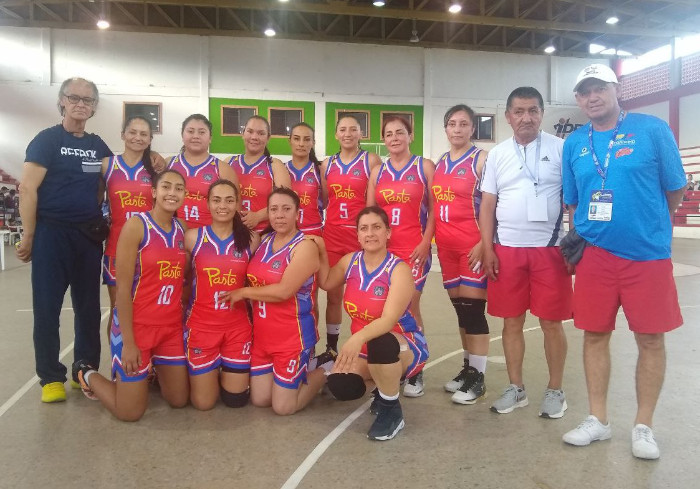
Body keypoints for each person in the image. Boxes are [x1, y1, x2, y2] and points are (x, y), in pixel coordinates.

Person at [561, 64, 686, 460]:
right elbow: (574, 199)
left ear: (616, 89)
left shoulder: (652, 130)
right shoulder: (575, 143)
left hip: (646, 256)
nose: (592, 97)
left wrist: (648, 226)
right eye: (584, 92)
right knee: (595, 334)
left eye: (599, 88)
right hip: (595, 255)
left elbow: (675, 188)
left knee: (650, 338)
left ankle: (643, 426)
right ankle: (598, 419)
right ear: (578, 100)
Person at [18, 77, 112, 403]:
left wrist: (154, 160)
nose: (80, 104)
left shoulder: (99, 145)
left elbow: (111, 179)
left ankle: (83, 370)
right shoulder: (46, 140)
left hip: (87, 236)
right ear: (62, 101)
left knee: (88, 308)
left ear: (94, 107)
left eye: (87, 99)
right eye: (74, 97)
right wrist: (29, 234)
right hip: (50, 234)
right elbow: (28, 189)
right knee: (47, 308)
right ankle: (50, 377)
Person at [480, 86, 572, 419]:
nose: (526, 117)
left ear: (542, 114)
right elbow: (488, 204)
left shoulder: (561, 149)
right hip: (508, 252)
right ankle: (516, 389)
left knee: (551, 323)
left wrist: (573, 241)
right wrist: (487, 247)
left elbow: (572, 198)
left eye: (533, 110)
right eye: (519, 111)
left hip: (550, 251)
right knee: (512, 322)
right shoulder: (498, 154)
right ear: (507, 117)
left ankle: (555, 390)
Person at [75, 169, 190, 421]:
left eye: (179, 188)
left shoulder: (183, 228)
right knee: (130, 413)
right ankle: (86, 373)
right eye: (166, 187)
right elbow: (122, 291)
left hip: (170, 327)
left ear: (185, 194)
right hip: (136, 327)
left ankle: (149, 371)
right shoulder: (137, 225)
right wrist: (129, 342)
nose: (172, 193)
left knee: (179, 400)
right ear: (154, 192)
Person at [311, 206, 429, 441]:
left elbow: (387, 321)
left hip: (404, 344)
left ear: (388, 232)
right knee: (341, 385)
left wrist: (356, 338)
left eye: (376, 227)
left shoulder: (399, 270)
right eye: (364, 228)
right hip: (366, 347)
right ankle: (381, 388)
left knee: (380, 342)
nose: (370, 233)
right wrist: (322, 250)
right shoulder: (349, 261)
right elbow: (325, 282)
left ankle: (391, 410)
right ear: (357, 235)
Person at [223, 187, 331, 415]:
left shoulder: (305, 247)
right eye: (274, 210)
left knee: (283, 407)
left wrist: (243, 293)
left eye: (286, 209)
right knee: (261, 400)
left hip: (293, 338)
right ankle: (302, 373)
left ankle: (327, 368)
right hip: (263, 338)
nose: (279, 215)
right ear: (268, 214)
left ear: (297, 214)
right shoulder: (263, 240)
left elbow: (284, 291)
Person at [367, 116, 434, 398]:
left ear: (410, 135)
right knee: (384, 310)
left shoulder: (424, 166)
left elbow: (434, 209)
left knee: (408, 308)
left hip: (414, 250)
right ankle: (391, 362)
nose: (394, 138)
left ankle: (417, 370)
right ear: (384, 139)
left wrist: (426, 242)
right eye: (389, 134)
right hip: (386, 253)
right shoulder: (377, 172)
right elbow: (370, 215)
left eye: (400, 133)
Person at [185, 179, 259, 410]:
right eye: (216, 200)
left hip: (237, 328)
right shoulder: (193, 237)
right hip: (202, 327)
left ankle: (218, 370)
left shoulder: (251, 239)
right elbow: (184, 281)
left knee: (235, 401)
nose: (222, 206)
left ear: (238, 204)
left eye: (229, 200)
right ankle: (207, 372)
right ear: (207, 204)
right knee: (204, 403)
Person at [433, 105, 490, 405]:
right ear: (445, 128)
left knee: (473, 310)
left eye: (463, 124)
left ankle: (478, 378)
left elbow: (495, 204)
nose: (457, 129)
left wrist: (485, 242)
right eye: (452, 123)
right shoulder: (441, 161)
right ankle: (468, 368)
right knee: (460, 311)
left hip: (471, 245)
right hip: (446, 247)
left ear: (472, 128)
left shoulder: (481, 159)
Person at [321, 115, 381, 354]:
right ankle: (332, 348)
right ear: (336, 134)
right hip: (333, 236)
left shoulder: (371, 160)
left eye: (353, 129)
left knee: (364, 299)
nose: (347, 133)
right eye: (343, 129)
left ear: (361, 134)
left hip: (359, 238)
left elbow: (372, 204)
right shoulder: (327, 164)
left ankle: (367, 347)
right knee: (334, 296)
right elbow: (325, 200)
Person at [102, 116, 165, 336]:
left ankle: (149, 367)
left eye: (143, 134)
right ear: (123, 135)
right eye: (132, 132)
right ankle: (118, 367)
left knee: (150, 309)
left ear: (150, 140)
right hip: (116, 250)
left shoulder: (157, 169)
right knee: (118, 309)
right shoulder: (107, 165)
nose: (137, 138)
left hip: (151, 250)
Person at [168, 114, 238, 228]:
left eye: (201, 132)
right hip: (172, 234)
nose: (196, 136)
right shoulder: (167, 164)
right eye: (190, 131)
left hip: (207, 238)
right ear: (182, 135)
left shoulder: (223, 169)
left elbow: (235, 209)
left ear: (210, 138)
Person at [228, 115, 291, 233]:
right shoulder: (228, 163)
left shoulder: (274, 165)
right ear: (243, 134)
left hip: (264, 233)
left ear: (268, 138)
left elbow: (286, 201)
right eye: (250, 131)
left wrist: (258, 216)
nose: (254, 137)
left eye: (261, 133)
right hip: (232, 232)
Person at [284, 122, 324, 236]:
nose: (301, 144)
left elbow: (325, 202)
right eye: (296, 139)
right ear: (290, 141)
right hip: (287, 232)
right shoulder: (281, 169)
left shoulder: (320, 170)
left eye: (307, 139)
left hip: (313, 231)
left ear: (313, 143)